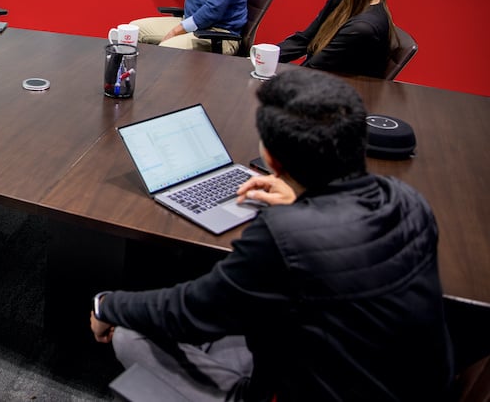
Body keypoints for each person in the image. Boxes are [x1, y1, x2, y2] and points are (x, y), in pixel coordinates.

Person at [90, 70, 452, 401]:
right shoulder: (408, 201)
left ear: (271, 161)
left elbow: (187, 312)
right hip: (401, 385)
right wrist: (303, 199)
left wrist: (107, 305)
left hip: (291, 390)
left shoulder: (284, 236)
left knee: (128, 331)